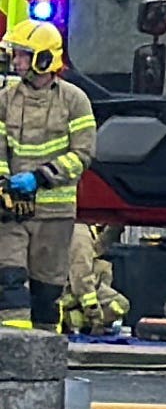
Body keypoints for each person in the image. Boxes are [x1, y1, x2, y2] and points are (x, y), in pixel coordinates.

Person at [1, 20, 97, 337]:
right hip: (13, 211)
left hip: (55, 215)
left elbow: (82, 155)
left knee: (46, 293)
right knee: (9, 281)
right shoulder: (6, 99)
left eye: (22, 55)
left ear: (43, 59)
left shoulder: (74, 100)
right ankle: (12, 356)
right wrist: (4, 184)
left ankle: (43, 362)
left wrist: (39, 178)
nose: (16, 62)